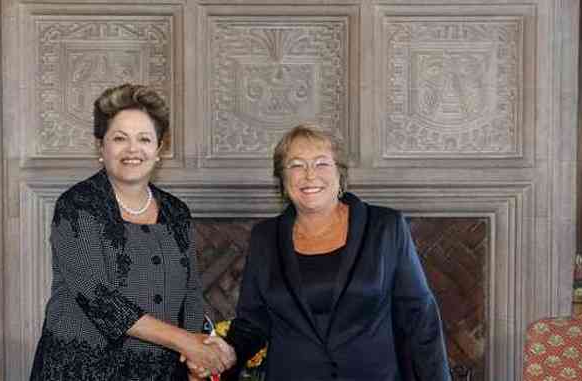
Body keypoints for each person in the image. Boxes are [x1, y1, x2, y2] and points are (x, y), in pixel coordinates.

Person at [30, 84, 235, 381]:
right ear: (101, 147)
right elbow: (98, 298)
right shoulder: (77, 205)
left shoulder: (177, 212)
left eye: (144, 139)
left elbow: (190, 294)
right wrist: (186, 342)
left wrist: (196, 355)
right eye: (119, 138)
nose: (132, 149)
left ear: (159, 148)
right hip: (80, 370)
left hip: (159, 372)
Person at [224, 124, 451, 381]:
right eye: (296, 165)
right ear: (283, 179)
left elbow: (420, 319)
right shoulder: (264, 238)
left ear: (339, 173)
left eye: (321, 163)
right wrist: (224, 354)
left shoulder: (385, 227)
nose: (310, 175)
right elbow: (252, 322)